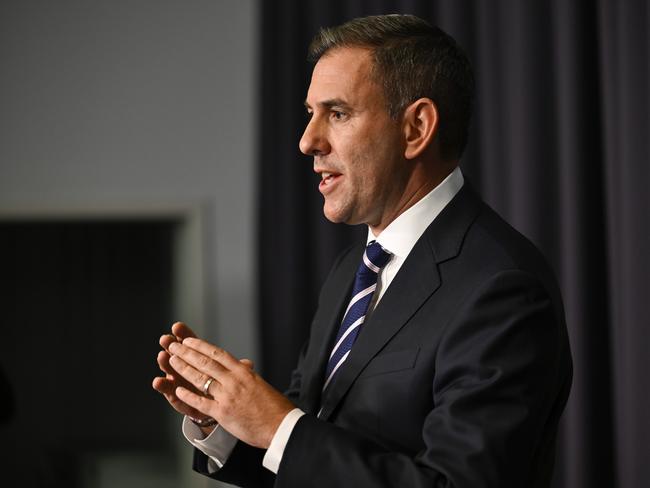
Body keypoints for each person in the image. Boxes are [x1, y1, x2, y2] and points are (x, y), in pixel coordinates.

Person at [153, 14, 572, 488]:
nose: (307, 141)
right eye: (309, 114)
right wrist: (225, 418)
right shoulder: (351, 269)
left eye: (337, 113)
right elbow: (309, 450)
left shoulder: (503, 287)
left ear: (416, 128)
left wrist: (275, 424)